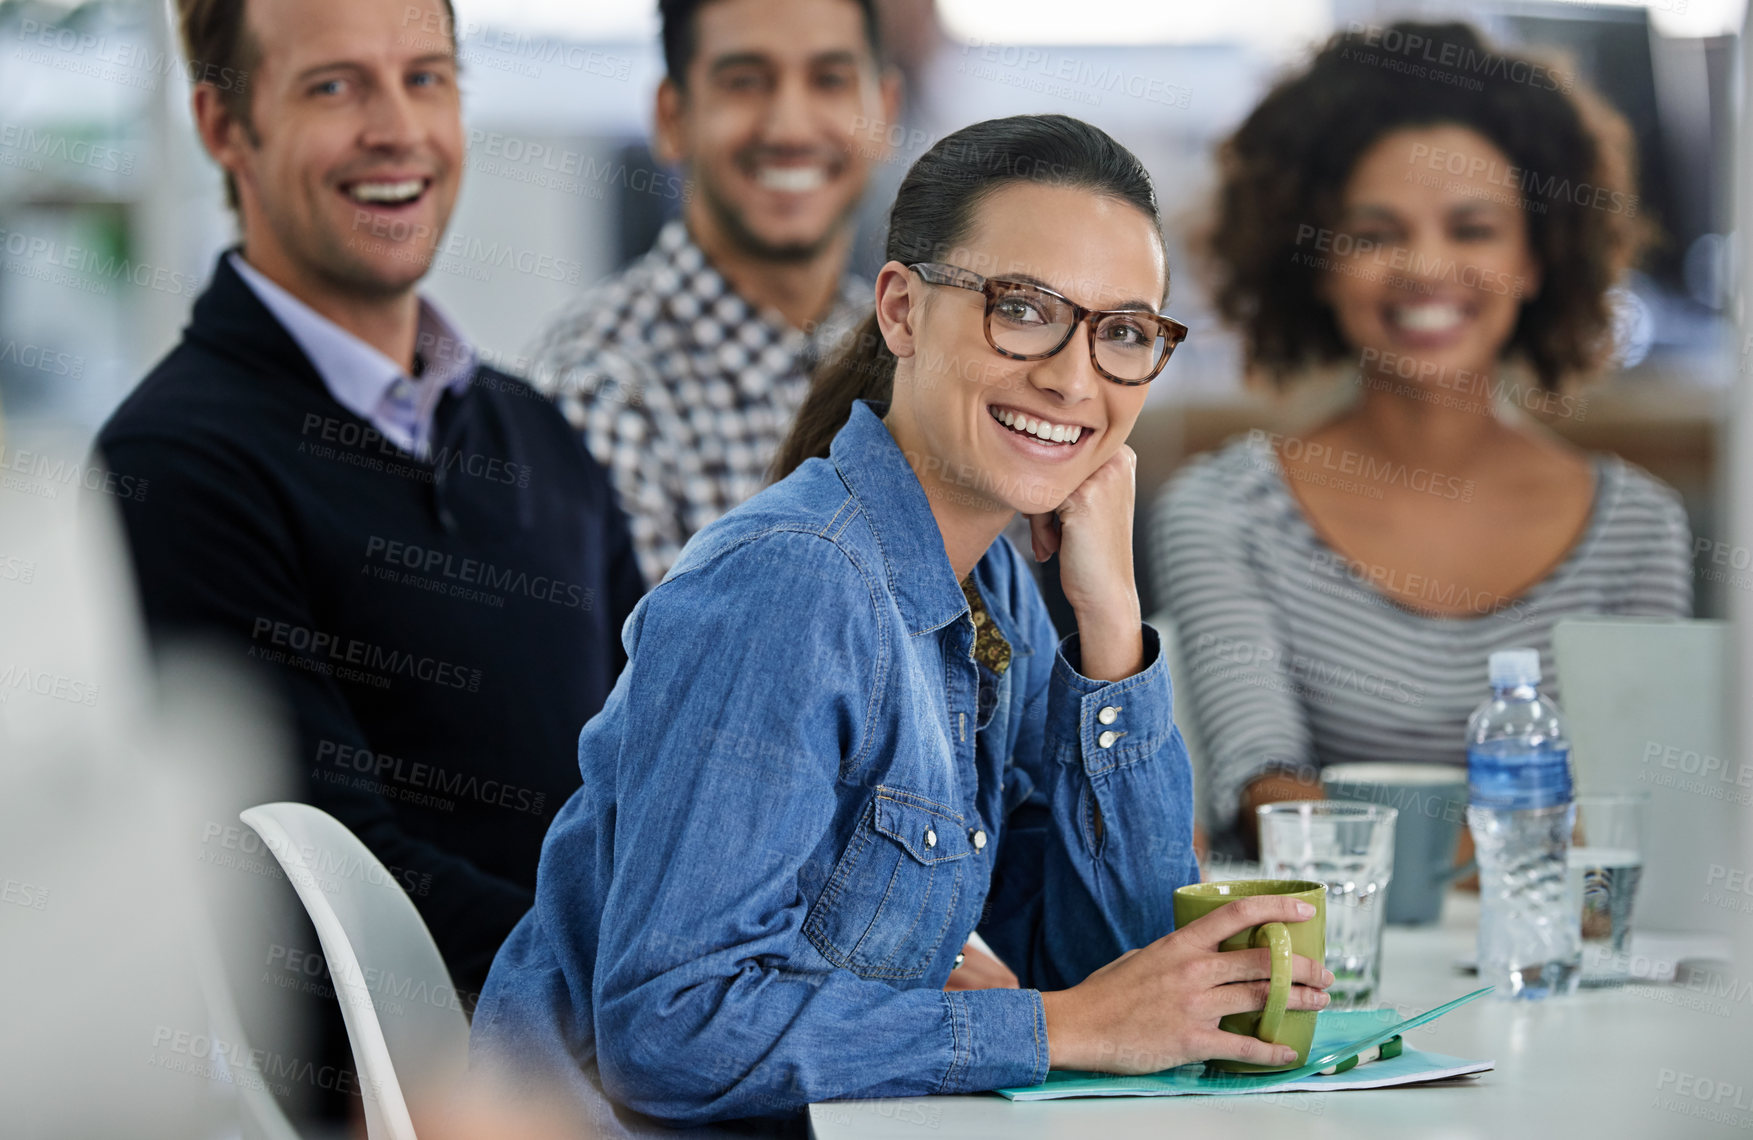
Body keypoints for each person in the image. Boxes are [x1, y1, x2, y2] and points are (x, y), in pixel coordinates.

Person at [471, 114, 1333, 1136]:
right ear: (901, 311)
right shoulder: (792, 589)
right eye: (1022, 309)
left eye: (1124, 332)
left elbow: (1122, 972)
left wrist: (1110, 624)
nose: (1072, 376)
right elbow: (669, 1032)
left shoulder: (993, 588)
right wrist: (1053, 1029)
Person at [98, 0, 643, 1000]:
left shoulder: (536, 433)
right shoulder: (177, 462)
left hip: (634, 1046)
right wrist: (662, 979)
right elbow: (330, 887)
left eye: (426, 77)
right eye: (334, 85)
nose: (399, 128)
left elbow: (656, 777)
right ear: (225, 128)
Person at [1151, 22, 1693, 857]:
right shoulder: (1222, 512)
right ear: (1317, 265)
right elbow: (1269, 798)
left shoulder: (1638, 530)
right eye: (1374, 235)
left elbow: (1642, 824)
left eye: (1472, 229)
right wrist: (1536, 844)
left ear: (1537, 257)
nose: (1426, 266)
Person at [527, 0, 901, 586]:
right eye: (745, 82)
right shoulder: (600, 392)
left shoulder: (912, 353)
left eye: (830, 80)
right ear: (672, 118)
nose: (791, 127)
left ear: (886, 112)